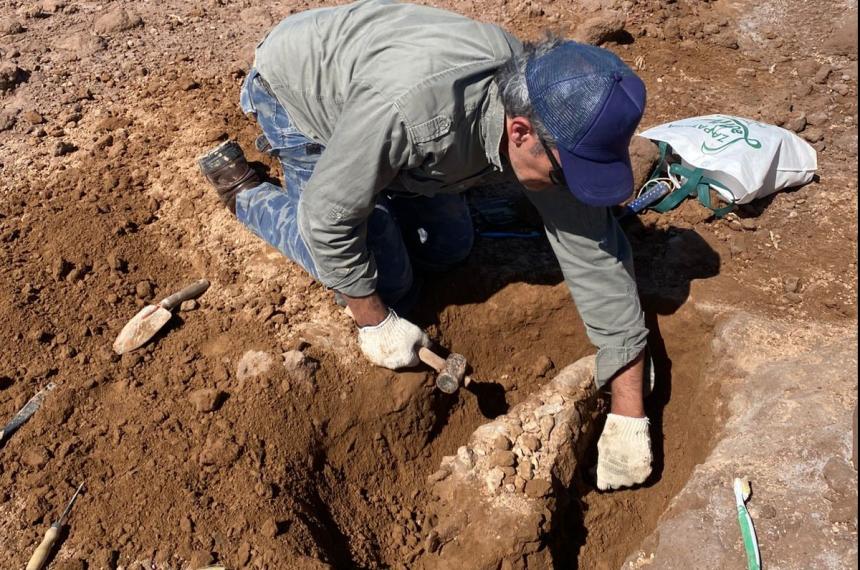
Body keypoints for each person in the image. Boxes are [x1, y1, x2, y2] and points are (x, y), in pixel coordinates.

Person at [198, 0, 652, 491]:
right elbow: (326, 219)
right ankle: (247, 194)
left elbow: (596, 255)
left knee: (452, 247)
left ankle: (376, 180)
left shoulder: (550, 108)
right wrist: (374, 322)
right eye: (566, 173)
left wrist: (629, 415)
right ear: (519, 132)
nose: (568, 185)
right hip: (299, 94)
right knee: (389, 286)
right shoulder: (413, 111)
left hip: (380, 102)